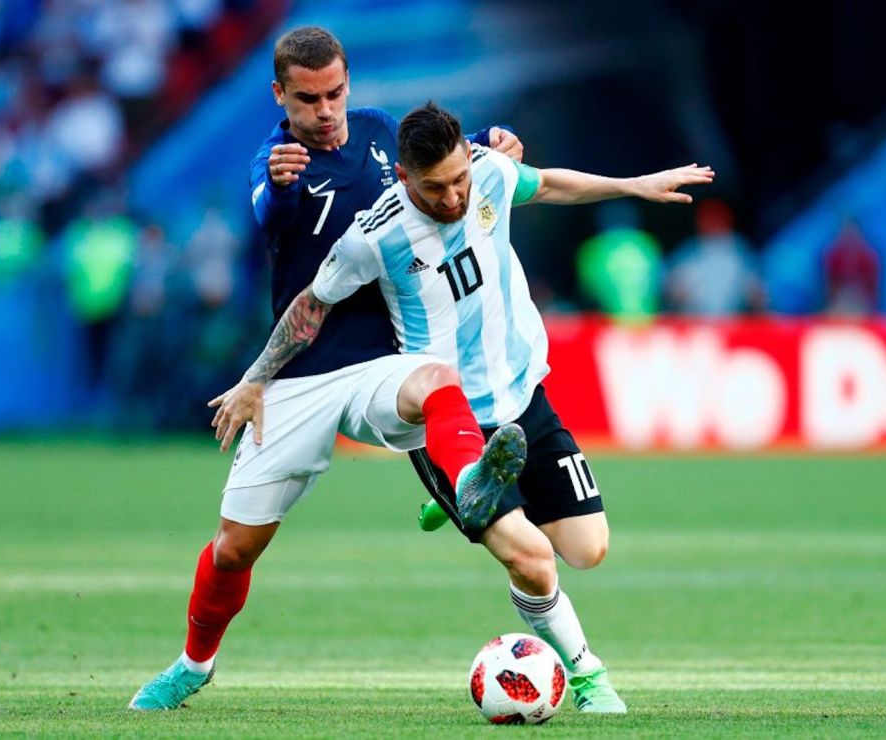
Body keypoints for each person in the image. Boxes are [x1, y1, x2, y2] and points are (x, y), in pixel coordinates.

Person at [210, 102, 714, 713]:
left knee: (587, 550)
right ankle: (588, 677)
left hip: (525, 400)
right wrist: (255, 378)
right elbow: (310, 307)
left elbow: (549, 183)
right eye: (434, 187)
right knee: (529, 558)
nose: (452, 197)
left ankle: (456, 501)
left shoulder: (489, 172)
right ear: (401, 176)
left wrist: (634, 185)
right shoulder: (376, 236)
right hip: (452, 423)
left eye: (458, 181)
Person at [129, 27, 526, 710]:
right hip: (302, 372)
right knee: (233, 549)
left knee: (438, 382)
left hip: (385, 360)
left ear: (349, 85)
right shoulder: (274, 163)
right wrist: (256, 377)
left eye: (335, 93)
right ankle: (195, 664)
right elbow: (270, 214)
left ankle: (466, 484)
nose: (326, 110)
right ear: (280, 95)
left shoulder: (379, 132)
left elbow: (437, 158)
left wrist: (493, 143)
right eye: (308, 98)